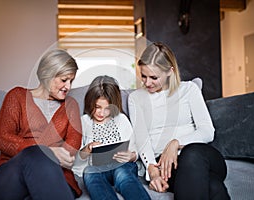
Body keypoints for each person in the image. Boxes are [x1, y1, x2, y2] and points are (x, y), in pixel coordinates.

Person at [128, 42, 230, 200]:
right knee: (213, 187)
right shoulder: (136, 98)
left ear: (170, 71)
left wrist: (175, 143)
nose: (147, 83)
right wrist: (153, 172)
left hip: (203, 157)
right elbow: (142, 139)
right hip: (170, 168)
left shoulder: (189, 89)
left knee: (192, 153)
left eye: (154, 77)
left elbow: (207, 132)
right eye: (143, 76)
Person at [0, 49, 83, 200]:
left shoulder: (71, 105)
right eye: (64, 80)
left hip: (56, 177)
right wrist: (47, 151)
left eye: (71, 81)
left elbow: (71, 148)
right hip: (11, 177)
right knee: (35, 153)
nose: (68, 87)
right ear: (48, 75)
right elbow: (4, 140)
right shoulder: (17, 96)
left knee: (40, 156)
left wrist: (48, 154)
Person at [72, 75, 151, 200]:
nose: (101, 113)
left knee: (123, 174)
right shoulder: (84, 122)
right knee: (90, 173)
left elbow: (134, 151)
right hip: (96, 168)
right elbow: (77, 161)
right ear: (90, 102)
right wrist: (87, 149)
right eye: (97, 107)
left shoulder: (121, 120)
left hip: (121, 166)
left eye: (107, 109)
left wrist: (131, 156)